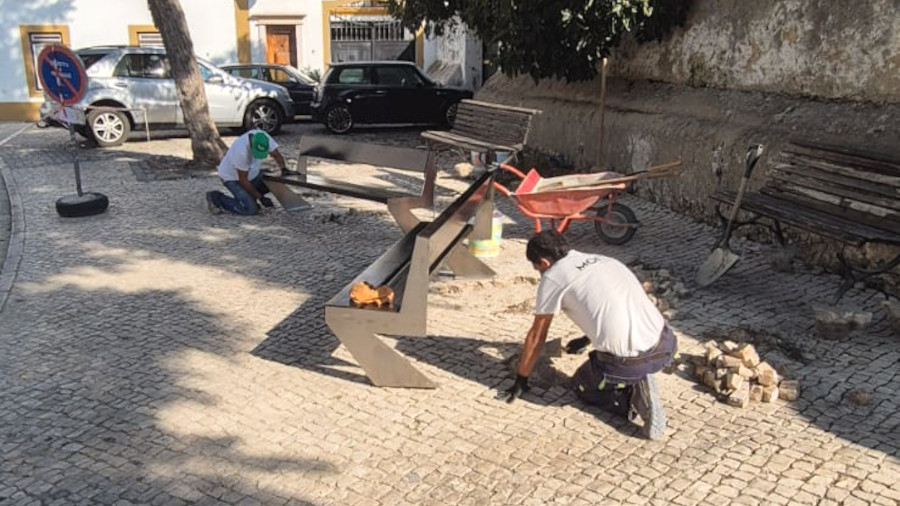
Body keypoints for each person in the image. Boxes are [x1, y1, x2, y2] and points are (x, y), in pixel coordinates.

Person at [501, 230, 677, 440]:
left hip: (629, 363)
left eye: (537, 268)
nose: (539, 273)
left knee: (582, 385)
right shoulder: (606, 261)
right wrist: (586, 339)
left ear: (544, 262)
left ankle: (632, 398)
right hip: (666, 345)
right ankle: (638, 374)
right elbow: (614, 307)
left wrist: (521, 379)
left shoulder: (553, 277)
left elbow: (537, 334)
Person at [206, 129, 288, 215]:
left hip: (252, 174)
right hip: (233, 179)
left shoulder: (263, 138)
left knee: (273, 182)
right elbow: (243, 180)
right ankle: (216, 197)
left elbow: (276, 154)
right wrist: (261, 198)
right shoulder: (241, 152)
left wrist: (284, 169)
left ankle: (247, 197)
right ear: (251, 145)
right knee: (250, 209)